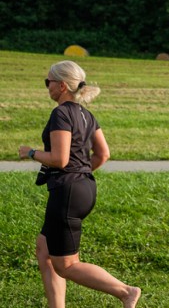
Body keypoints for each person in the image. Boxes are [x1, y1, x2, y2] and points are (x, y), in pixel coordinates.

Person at [18, 60, 140, 308]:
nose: (47, 86)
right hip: (84, 187)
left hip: (68, 191)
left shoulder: (61, 113)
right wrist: (80, 174)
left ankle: (125, 292)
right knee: (45, 250)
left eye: (48, 82)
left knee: (67, 265)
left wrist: (30, 152)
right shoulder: (86, 114)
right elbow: (102, 154)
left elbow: (59, 160)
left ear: (62, 85)